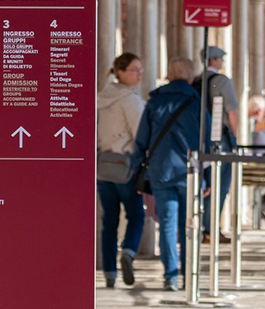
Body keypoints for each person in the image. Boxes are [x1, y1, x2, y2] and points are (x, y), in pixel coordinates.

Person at [131, 57, 201, 290]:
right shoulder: (196, 102)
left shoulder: (155, 102)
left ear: (169, 75)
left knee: (167, 225)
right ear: (191, 77)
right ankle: (189, 274)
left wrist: (137, 173)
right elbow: (207, 142)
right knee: (188, 225)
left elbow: (141, 141)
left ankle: (171, 275)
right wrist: (208, 177)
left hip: (161, 170)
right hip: (189, 172)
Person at [96, 53, 146, 287]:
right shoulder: (130, 100)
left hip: (103, 166)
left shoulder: (101, 98)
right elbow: (141, 134)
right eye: (134, 69)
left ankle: (109, 273)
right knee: (136, 215)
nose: (139, 74)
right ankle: (128, 251)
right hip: (125, 166)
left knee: (109, 221)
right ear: (121, 72)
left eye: (140, 69)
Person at [195, 45, 238, 238]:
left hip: (199, 138)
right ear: (212, 60)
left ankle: (202, 227)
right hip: (220, 138)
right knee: (220, 184)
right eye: (220, 59)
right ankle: (211, 229)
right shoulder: (221, 81)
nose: (222, 62)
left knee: (203, 183)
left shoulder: (196, 81)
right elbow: (232, 111)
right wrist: (235, 137)